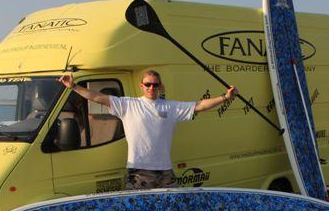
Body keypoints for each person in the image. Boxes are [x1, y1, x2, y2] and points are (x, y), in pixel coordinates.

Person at [58, 70, 237, 190]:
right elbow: (98, 97)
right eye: (148, 84)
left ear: (160, 86)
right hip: (139, 172)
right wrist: (74, 87)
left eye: (155, 85)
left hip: (165, 171)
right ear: (141, 86)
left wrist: (225, 97)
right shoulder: (128, 105)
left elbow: (199, 105)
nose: (151, 87)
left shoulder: (170, 107)